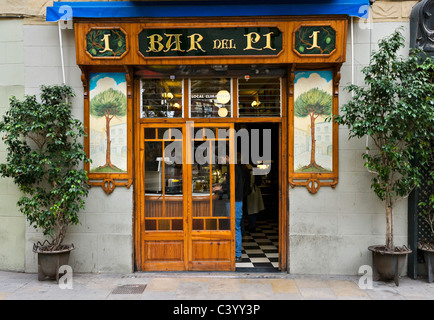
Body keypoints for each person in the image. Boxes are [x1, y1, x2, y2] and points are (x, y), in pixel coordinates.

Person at [212, 152, 244, 262]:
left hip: (234, 201)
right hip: (235, 201)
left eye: (222, 157)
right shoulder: (234, 168)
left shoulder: (234, 168)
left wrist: (219, 189)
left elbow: (232, 186)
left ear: (228, 157)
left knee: (234, 226)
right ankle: (234, 252)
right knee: (234, 226)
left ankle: (237, 253)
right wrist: (221, 187)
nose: (221, 160)